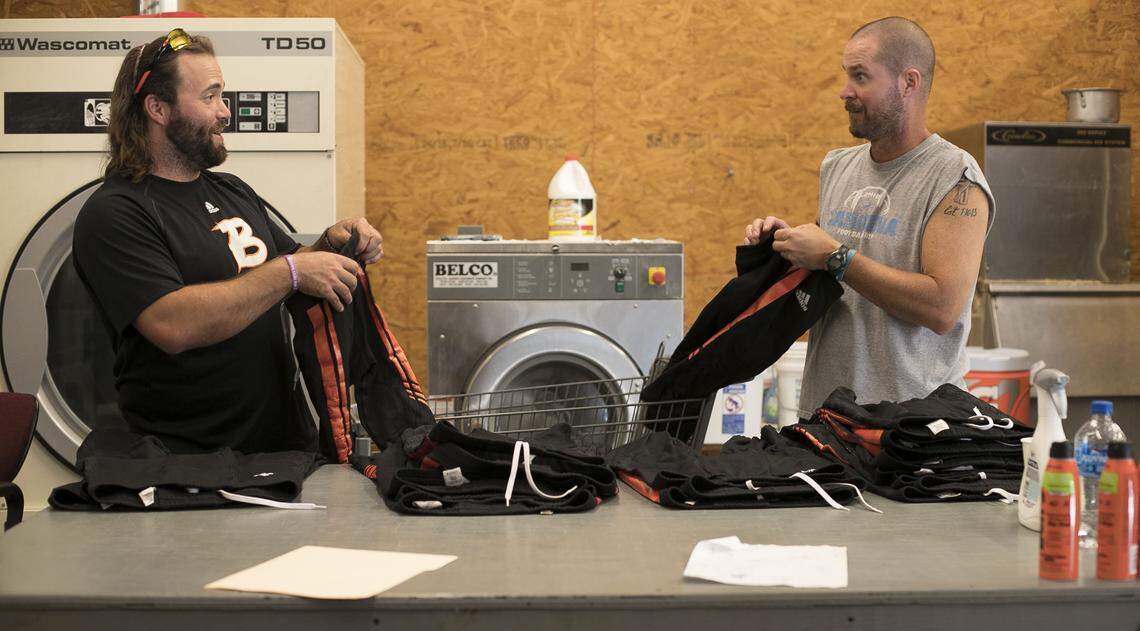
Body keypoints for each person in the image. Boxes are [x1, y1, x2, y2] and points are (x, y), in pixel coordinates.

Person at [73, 28, 384, 454]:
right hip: (189, 463)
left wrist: (334, 243)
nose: (224, 112)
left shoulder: (231, 191)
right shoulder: (116, 212)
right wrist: (291, 271)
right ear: (158, 108)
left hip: (284, 451)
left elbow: (296, 267)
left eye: (223, 96)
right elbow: (171, 324)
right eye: (210, 96)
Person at [744, 17, 995, 418]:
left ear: (908, 82)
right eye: (847, 76)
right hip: (826, 419)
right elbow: (831, 283)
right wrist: (786, 247)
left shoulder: (954, 179)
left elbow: (942, 309)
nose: (844, 92)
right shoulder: (837, 167)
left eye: (860, 77)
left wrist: (835, 256)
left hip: (908, 431)